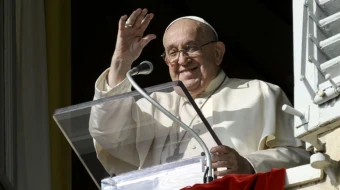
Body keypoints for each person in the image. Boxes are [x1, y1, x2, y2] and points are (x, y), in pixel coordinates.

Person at [89, 8, 310, 176]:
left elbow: (301, 157)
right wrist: (120, 63)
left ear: (217, 53)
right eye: (172, 53)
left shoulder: (261, 93)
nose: (182, 60)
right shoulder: (151, 104)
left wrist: (248, 164)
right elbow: (108, 135)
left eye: (191, 48)